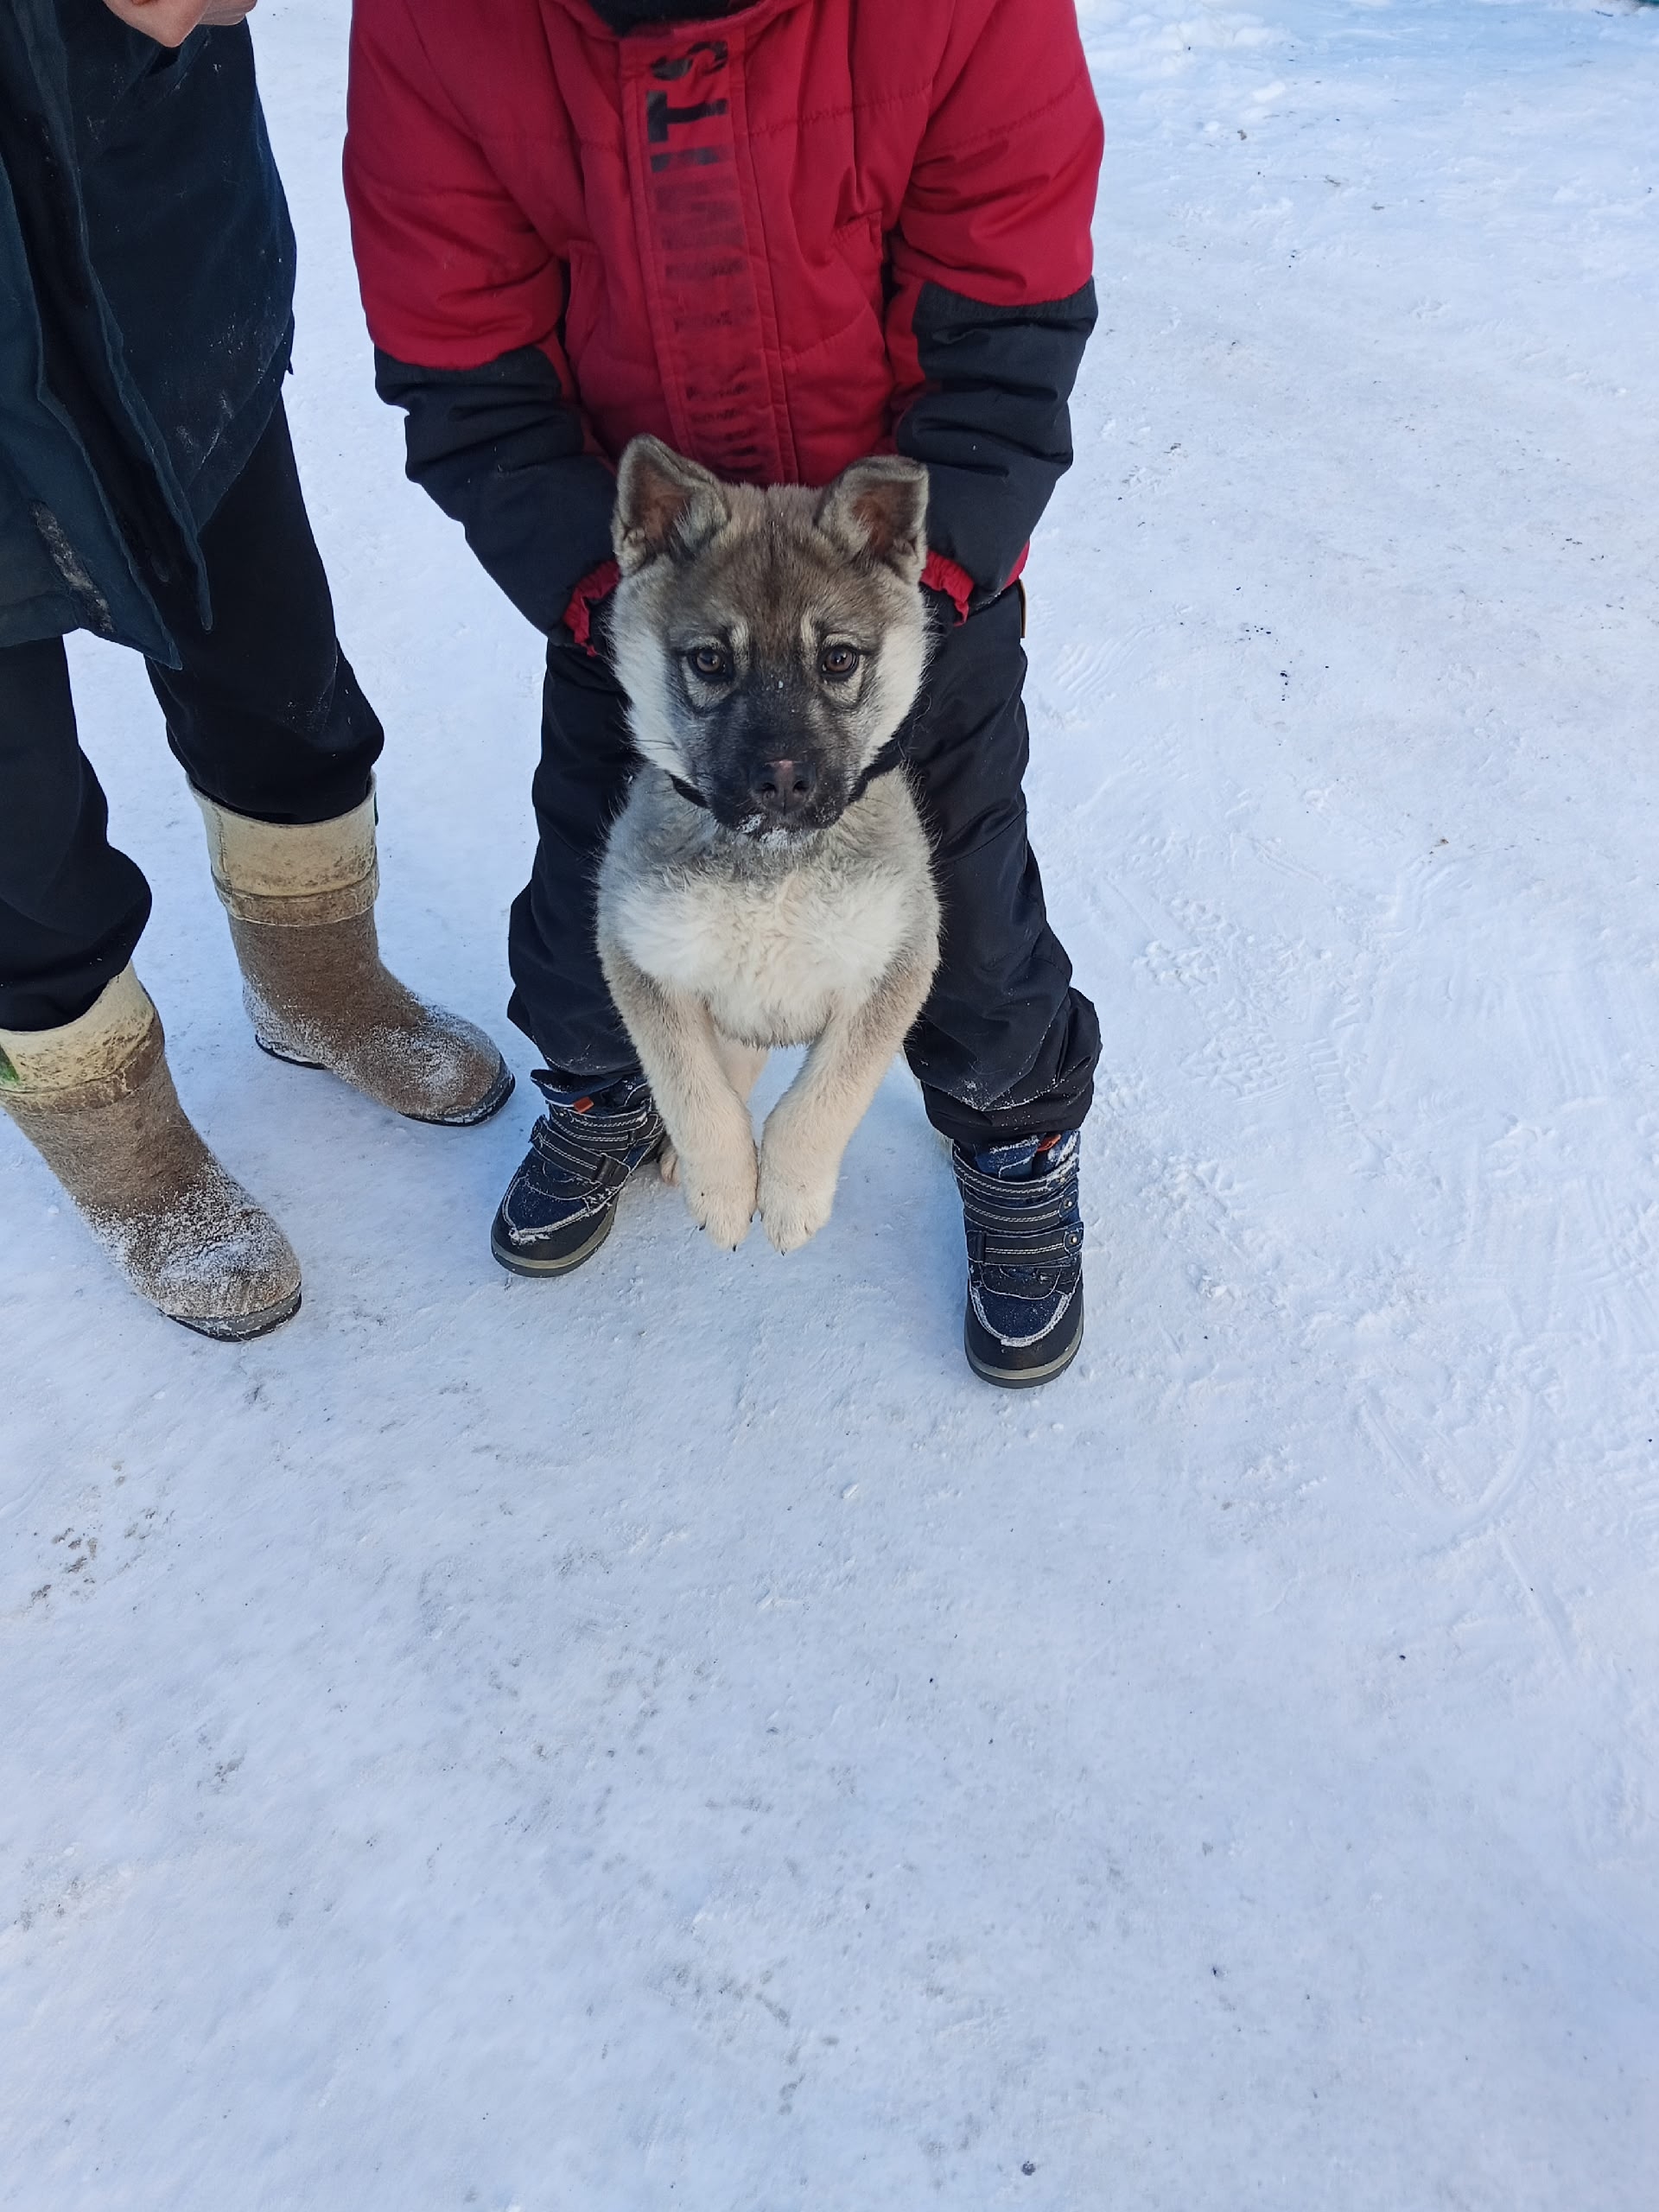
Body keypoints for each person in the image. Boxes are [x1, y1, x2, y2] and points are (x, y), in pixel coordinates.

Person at [346, 0, 1102, 1386]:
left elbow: (1008, 324)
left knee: (970, 917)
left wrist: (910, 604)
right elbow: (469, 371)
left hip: (899, 599)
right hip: (650, 596)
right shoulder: (436, 23)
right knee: (597, 894)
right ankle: (602, 1088)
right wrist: (615, 594)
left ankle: (1012, 1121)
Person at [0, 0, 512, 1342]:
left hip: (141, 215)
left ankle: (316, 985)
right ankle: (123, 1145)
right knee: (12, 822)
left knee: (274, 656)